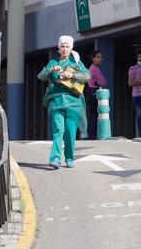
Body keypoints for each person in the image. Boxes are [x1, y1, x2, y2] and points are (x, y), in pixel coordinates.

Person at [37, 36, 89, 169]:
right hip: (56, 102)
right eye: (62, 46)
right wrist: (51, 70)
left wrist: (73, 75)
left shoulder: (76, 63)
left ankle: (70, 158)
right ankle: (55, 159)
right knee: (58, 130)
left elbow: (87, 76)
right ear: (59, 48)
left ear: (71, 48)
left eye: (67, 46)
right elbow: (41, 76)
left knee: (70, 131)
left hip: (73, 103)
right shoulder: (53, 62)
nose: (64, 48)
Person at [86, 50, 107, 139]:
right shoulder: (94, 69)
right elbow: (103, 82)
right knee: (95, 115)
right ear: (93, 58)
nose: (100, 59)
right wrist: (101, 83)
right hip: (94, 92)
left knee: (93, 115)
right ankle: (93, 135)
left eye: (101, 57)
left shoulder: (93, 68)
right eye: (98, 57)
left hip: (91, 92)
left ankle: (92, 135)